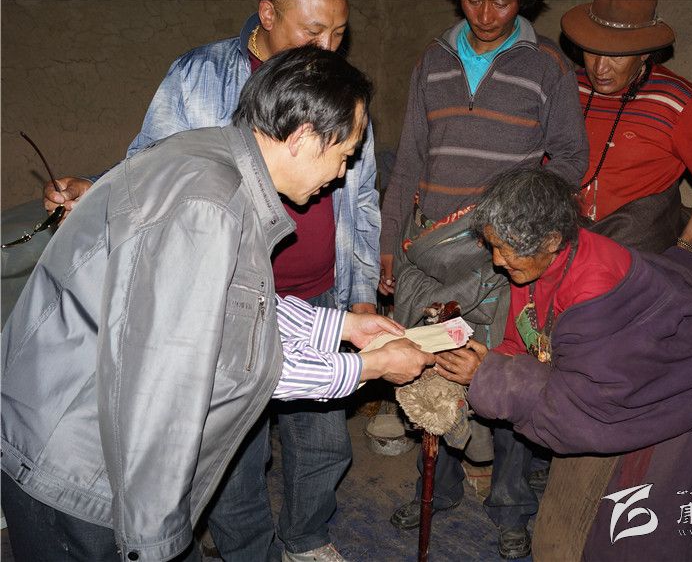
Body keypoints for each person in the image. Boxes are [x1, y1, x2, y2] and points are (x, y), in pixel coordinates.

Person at [1, 46, 435, 562]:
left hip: (73, 424)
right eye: (344, 155)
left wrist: (344, 326)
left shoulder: (210, 163)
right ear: (303, 138)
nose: (342, 174)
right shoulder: (209, 208)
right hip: (75, 460)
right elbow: (219, 365)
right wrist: (369, 367)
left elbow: (232, 307)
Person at [434, 167, 692, 561]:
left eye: (506, 249)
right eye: (493, 246)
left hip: (662, 405)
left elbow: (584, 410)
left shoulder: (595, 291)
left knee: (633, 536)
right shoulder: (537, 267)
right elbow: (526, 343)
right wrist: (485, 361)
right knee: (570, 530)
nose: (497, 261)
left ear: (552, 239)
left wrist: (486, 376)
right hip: (602, 396)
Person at [379, 0, 588, 558]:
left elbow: (572, 158)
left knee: (507, 371)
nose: (487, 13)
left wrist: (515, 213)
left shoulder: (547, 65)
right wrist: (389, 246)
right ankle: (438, 489)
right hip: (434, 252)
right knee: (437, 366)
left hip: (506, 256)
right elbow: (410, 160)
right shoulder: (434, 60)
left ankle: (511, 505)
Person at [560, 0, 692, 287]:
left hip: (635, 242)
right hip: (565, 234)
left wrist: (685, 243)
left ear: (644, 53)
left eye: (616, 56)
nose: (600, 68)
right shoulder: (569, 88)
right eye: (592, 51)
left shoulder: (675, 102)